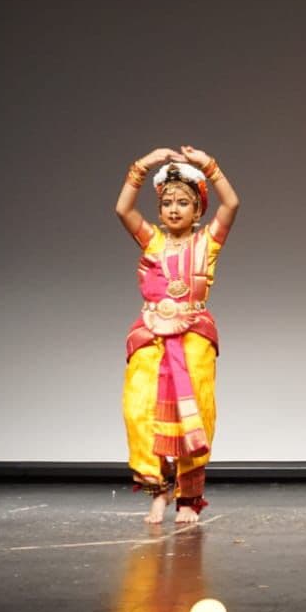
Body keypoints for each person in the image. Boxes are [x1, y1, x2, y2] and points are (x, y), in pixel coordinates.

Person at [117, 146, 238, 525]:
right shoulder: (152, 241)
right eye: (167, 202)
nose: (173, 209)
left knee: (193, 416)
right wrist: (141, 167)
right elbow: (123, 210)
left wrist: (209, 167)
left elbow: (232, 204)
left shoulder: (208, 243)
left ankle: (189, 497)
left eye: (183, 202)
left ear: (197, 210)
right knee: (139, 409)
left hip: (194, 336)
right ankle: (158, 489)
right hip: (150, 334)